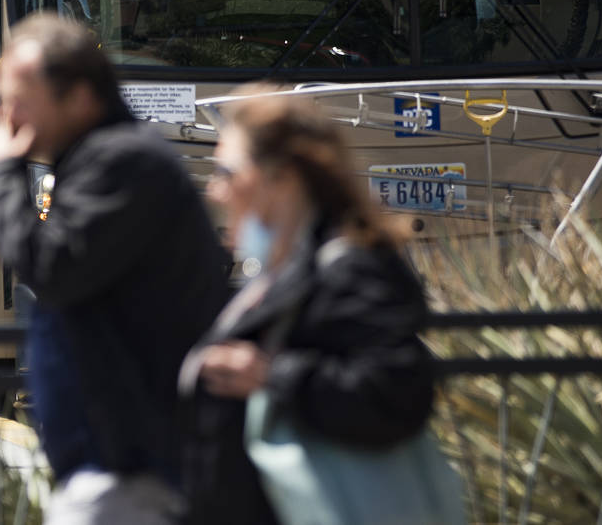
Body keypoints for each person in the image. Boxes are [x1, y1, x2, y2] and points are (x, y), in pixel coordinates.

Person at [0, 13, 228, 524]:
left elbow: (50, 265)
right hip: (114, 462)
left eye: (21, 102)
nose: (7, 119)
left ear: (82, 97)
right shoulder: (97, 161)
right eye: (4, 101)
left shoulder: (123, 164)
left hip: (135, 468)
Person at [179, 87, 436, 524]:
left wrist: (271, 375)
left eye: (227, 172)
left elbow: (400, 387)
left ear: (282, 178)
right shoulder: (281, 269)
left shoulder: (347, 266)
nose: (217, 192)